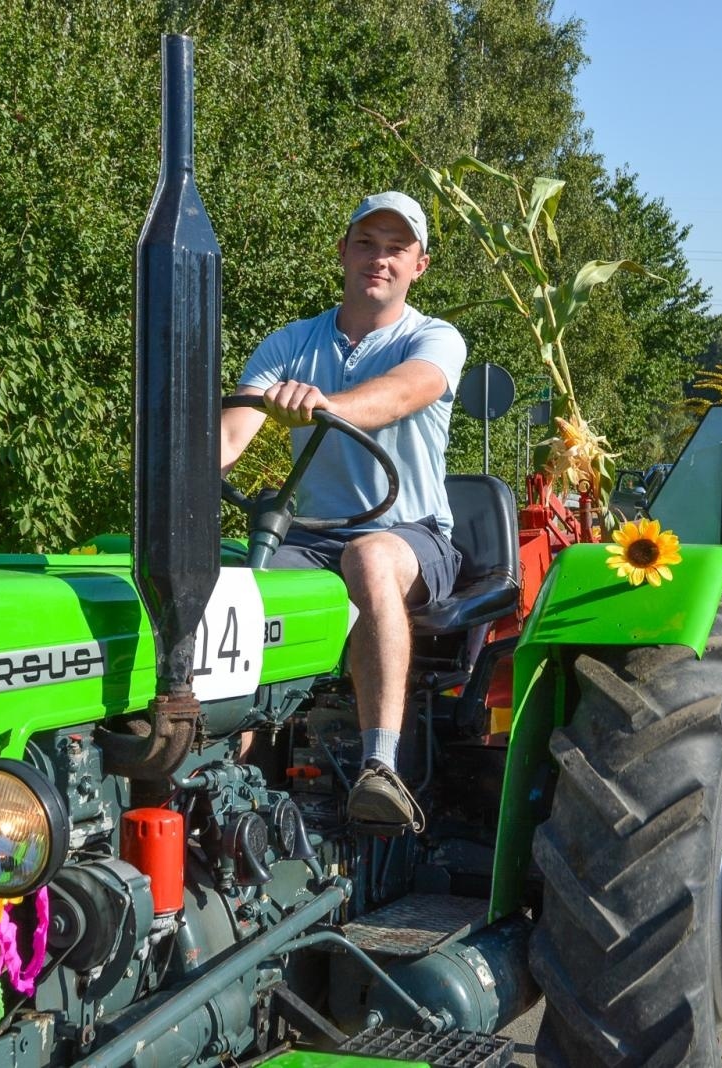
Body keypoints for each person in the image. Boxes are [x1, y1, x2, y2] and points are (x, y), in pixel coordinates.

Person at [219, 191, 466, 830]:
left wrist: (325, 405)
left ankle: (381, 769)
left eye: (396, 248)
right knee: (240, 585)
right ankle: (235, 777)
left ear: (420, 265)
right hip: (312, 534)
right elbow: (229, 437)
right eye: (366, 244)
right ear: (342, 252)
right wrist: (180, 472)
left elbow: (402, 394)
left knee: (369, 556)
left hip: (409, 532)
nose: (378, 259)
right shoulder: (290, 343)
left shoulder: (434, 338)